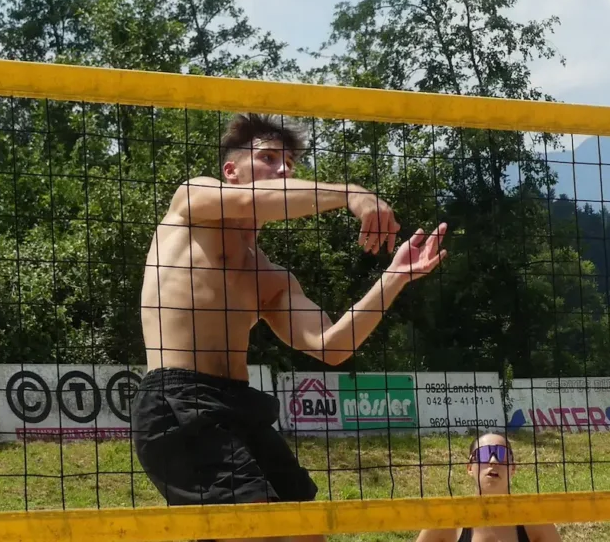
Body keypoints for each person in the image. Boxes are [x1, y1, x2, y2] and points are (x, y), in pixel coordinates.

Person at [132, 111, 449, 542]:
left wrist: (394, 279)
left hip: (240, 406)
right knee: (259, 529)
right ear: (231, 171)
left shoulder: (271, 277)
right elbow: (253, 201)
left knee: (305, 532)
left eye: (289, 165)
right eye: (267, 158)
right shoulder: (193, 200)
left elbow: (333, 346)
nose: (282, 170)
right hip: (179, 401)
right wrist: (352, 194)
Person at [413, 433, 559, 542]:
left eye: (502, 454)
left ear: (513, 468)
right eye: (484, 454)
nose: (493, 461)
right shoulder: (447, 519)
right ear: (470, 468)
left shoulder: (535, 520)